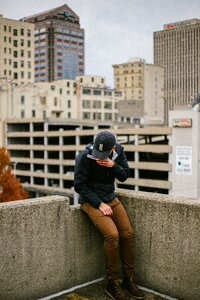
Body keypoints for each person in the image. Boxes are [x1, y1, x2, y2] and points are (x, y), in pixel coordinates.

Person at [74, 130, 144, 300]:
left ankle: (129, 279)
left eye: (103, 154)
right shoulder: (84, 156)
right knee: (112, 235)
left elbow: (124, 176)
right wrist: (99, 204)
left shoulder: (119, 152)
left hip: (110, 198)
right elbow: (79, 186)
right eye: (97, 153)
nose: (99, 157)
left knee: (128, 234)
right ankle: (113, 283)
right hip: (91, 201)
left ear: (112, 148)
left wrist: (113, 166)